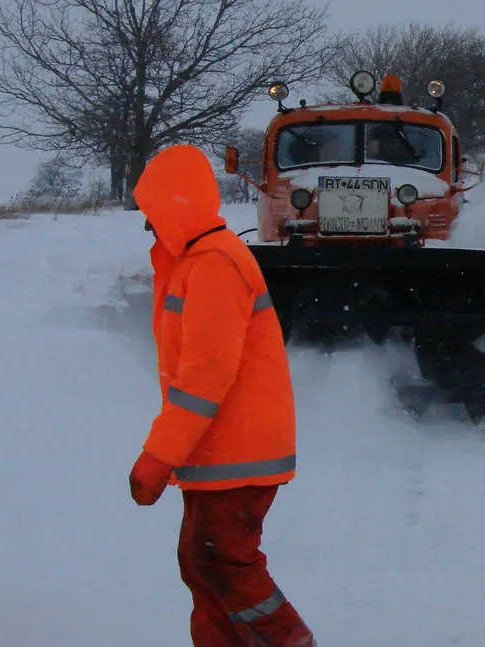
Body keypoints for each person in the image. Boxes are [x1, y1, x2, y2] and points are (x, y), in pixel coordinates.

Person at [127, 143, 316, 647]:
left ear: (175, 204)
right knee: (202, 563)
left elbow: (205, 376)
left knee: (223, 564)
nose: (147, 224)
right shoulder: (194, 260)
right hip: (218, 454)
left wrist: (158, 455)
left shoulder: (214, 262)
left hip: (239, 453)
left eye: (152, 211)